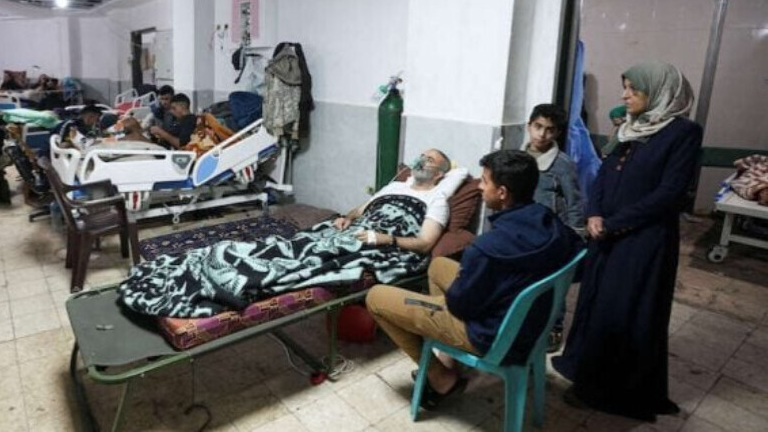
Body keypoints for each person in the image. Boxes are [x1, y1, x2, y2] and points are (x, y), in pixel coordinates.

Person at [119, 149, 469, 317]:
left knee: (313, 258)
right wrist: (346, 218)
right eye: (420, 156)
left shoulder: (437, 199)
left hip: (380, 242)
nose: (421, 162)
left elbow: (425, 243)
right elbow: (360, 210)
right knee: (288, 244)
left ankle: (237, 278)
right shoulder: (394, 186)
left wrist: (385, 239)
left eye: (429, 161)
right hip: (354, 230)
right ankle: (223, 260)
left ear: (440, 174)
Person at [366, 150, 580, 410]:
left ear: (502, 192)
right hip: (532, 323)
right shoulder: (551, 223)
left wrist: (466, 281)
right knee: (438, 266)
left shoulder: (488, 248)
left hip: (492, 335)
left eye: (485, 181)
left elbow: (460, 306)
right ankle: (449, 359)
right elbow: (578, 256)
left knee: (376, 297)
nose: (479, 186)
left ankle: (440, 378)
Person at [552, 62, 702, 422]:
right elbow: (603, 175)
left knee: (624, 310)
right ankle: (583, 370)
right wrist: (593, 213)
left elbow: (670, 194)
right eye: (625, 88)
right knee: (595, 303)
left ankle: (612, 391)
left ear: (659, 92)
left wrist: (614, 223)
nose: (624, 96)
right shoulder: (631, 127)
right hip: (605, 234)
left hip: (643, 241)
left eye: (634, 89)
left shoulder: (682, 133)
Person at [523, 103, 586, 352]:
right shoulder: (518, 157)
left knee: (551, 285)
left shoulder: (562, 164)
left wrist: (575, 237)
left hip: (550, 235)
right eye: (538, 127)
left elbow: (574, 202)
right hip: (522, 231)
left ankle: (554, 327)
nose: (542, 134)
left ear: (557, 133)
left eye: (549, 130)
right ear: (529, 126)